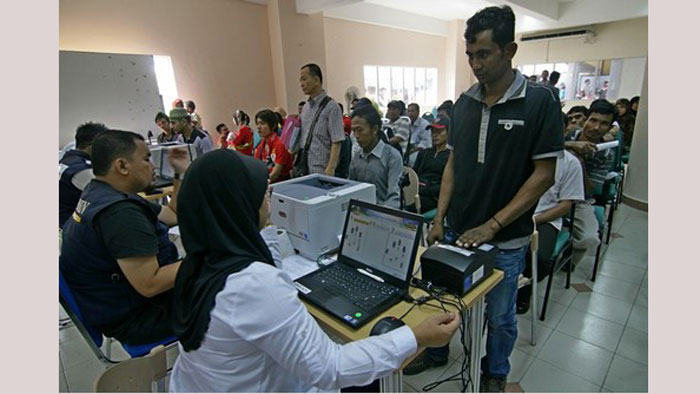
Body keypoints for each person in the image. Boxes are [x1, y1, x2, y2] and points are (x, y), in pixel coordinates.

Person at [168, 149, 460, 392]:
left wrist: (268, 226)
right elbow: (329, 368)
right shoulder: (255, 286)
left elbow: (261, 272)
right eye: (261, 194)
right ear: (238, 207)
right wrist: (416, 337)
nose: (268, 200)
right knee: (363, 368)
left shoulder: (200, 263)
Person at [406, 6, 563, 392]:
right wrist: (439, 218)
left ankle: (495, 372)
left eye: (484, 54)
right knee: (443, 298)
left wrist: (493, 224)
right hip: (459, 228)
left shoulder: (540, 102)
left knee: (501, 314)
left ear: (509, 50)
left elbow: (544, 175)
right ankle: (438, 351)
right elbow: (453, 165)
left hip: (506, 239)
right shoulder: (465, 102)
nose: (475, 64)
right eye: (470, 55)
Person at [60, 130, 190, 345]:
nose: (153, 166)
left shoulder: (99, 191)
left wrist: (179, 173)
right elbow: (151, 284)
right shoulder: (119, 213)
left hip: (118, 304)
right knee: (228, 290)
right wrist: (206, 257)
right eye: (147, 158)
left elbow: (172, 215)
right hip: (137, 318)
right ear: (122, 166)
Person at [516, 149, 585, 313]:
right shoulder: (519, 151)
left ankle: (524, 291)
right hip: (513, 213)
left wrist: (534, 220)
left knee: (538, 257)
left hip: (544, 218)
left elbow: (565, 205)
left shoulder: (570, 162)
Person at [564, 99, 617, 270]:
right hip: (549, 190)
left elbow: (589, 189)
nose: (596, 127)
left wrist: (579, 161)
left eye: (604, 124)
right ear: (585, 119)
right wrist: (571, 145)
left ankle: (567, 262)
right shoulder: (569, 134)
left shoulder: (606, 152)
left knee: (590, 238)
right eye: (593, 120)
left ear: (609, 128)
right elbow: (545, 148)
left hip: (579, 198)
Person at [349, 104, 403, 209]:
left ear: (374, 129)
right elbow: (351, 189)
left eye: (359, 130)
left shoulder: (392, 157)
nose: (356, 135)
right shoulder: (357, 157)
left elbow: (394, 199)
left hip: (384, 215)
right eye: (353, 130)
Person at [297, 63, 345, 176]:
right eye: (300, 80)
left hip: (321, 169)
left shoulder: (332, 107)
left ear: (316, 80)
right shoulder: (305, 108)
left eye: (304, 79)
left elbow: (337, 141)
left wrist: (330, 168)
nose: (301, 84)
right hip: (304, 168)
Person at [59, 122, 109, 227]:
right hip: (69, 226)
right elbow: (106, 195)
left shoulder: (68, 159)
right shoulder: (81, 170)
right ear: (92, 147)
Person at [409, 115, 450, 213]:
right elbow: (413, 175)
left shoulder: (451, 157)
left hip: (436, 198)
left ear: (449, 133)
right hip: (418, 192)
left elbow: (448, 185)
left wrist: (425, 190)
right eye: (433, 131)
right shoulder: (424, 153)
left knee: (411, 206)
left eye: (439, 132)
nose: (434, 135)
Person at [254, 109, 293, 183]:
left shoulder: (280, 144)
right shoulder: (260, 148)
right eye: (257, 124)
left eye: (262, 123)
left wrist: (260, 185)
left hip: (282, 184)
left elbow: (275, 174)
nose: (258, 127)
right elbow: (256, 169)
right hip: (267, 184)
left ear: (273, 126)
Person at [406, 102, 432, 167]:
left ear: (418, 112)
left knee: (412, 159)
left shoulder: (424, 124)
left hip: (420, 151)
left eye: (412, 111)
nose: (410, 113)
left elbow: (426, 144)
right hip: (409, 149)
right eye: (408, 111)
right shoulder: (407, 124)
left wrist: (411, 151)